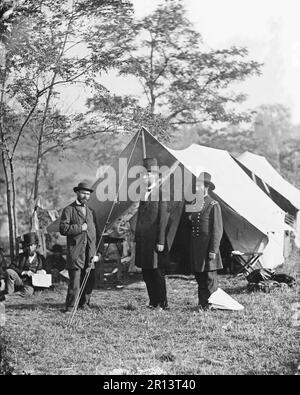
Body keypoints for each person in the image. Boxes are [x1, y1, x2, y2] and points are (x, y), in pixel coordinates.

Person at [135, 158, 170, 310]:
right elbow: (140, 219)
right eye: (143, 175)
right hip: (144, 241)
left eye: (147, 175)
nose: (144, 178)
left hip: (156, 241)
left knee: (157, 272)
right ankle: (153, 301)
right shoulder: (143, 194)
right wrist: (137, 238)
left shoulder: (162, 194)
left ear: (156, 176)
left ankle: (162, 303)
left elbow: (163, 219)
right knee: (146, 271)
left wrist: (161, 241)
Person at [59, 182, 100, 313]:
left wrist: (97, 252)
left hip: (90, 253)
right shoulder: (68, 210)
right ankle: (70, 307)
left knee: (89, 280)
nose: (85, 196)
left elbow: (96, 233)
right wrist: (79, 228)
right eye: (83, 193)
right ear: (77, 193)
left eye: (88, 194)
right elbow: (63, 229)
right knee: (75, 282)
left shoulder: (91, 212)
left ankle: (84, 304)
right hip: (76, 252)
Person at [187, 172, 223, 311]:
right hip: (197, 247)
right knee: (200, 277)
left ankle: (211, 304)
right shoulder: (196, 203)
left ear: (206, 187)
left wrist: (213, 250)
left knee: (209, 278)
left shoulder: (213, 204)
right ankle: (203, 304)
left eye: (199, 185)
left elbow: (217, 230)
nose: (196, 188)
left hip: (208, 247)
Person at [6, 232, 46, 297]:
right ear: (26, 247)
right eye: (28, 245)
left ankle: (14, 295)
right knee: (9, 272)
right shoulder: (21, 256)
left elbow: (47, 269)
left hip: (32, 283)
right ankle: (9, 293)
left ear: (35, 246)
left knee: (29, 292)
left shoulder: (41, 258)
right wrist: (24, 272)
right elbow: (11, 267)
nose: (30, 248)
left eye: (32, 245)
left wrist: (43, 271)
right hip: (20, 280)